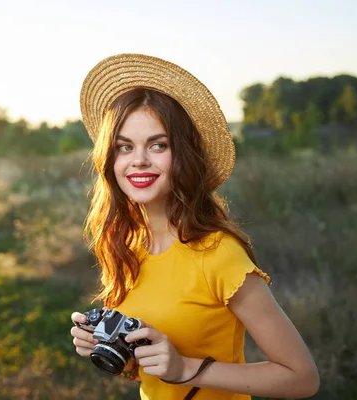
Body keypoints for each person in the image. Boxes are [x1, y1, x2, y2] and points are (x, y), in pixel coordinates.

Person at [70, 54, 319, 400]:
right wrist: (111, 348)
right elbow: (149, 369)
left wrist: (184, 368)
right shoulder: (127, 244)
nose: (139, 159)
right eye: (124, 147)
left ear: (184, 155)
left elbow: (301, 378)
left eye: (158, 145)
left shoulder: (217, 254)